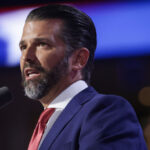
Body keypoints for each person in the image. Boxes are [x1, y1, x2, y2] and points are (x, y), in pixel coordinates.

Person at [19, 4, 147, 150]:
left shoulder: (105, 112)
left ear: (79, 59)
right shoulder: (46, 125)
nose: (26, 57)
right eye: (23, 47)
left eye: (42, 44)